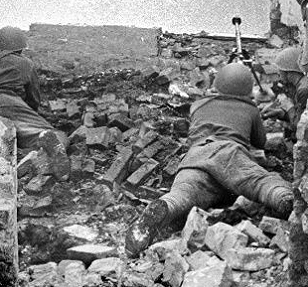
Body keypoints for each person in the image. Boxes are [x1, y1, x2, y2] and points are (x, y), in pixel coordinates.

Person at [125, 62, 293, 257]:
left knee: (182, 194)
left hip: (196, 157)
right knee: (259, 182)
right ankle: (283, 198)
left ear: (218, 83)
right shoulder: (250, 109)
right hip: (229, 154)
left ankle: (163, 208)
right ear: (247, 88)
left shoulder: (198, 105)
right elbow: (260, 142)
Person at [0, 26, 70, 179]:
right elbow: (33, 99)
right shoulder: (26, 64)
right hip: (10, 104)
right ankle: (34, 158)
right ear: (19, 48)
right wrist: (28, 113)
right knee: (56, 136)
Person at [260, 47, 308, 141]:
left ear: (288, 70)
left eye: (280, 70)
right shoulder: (304, 83)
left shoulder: (304, 90)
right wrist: (281, 113)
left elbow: (300, 126)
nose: (278, 74)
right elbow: (298, 116)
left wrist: (289, 106)